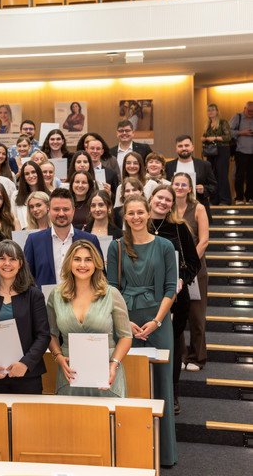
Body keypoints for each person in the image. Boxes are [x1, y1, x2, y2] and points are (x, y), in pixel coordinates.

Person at [106, 194, 179, 467]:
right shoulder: (116, 247)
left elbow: (171, 288)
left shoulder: (164, 245)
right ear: (124, 217)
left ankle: (165, 454)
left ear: (149, 214)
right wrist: (126, 323)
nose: (136, 217)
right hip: (126, 322)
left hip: (158, 322)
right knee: (130, 382)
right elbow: (112, 287)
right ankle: (132, 452)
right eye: (130, 213)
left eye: (140, 212)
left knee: (162, 384)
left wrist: (158, 321)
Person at [47, 240, 132, 397]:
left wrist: (113, 364)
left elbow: (126, 336)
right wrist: (58, 357)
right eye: (77, 259)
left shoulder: (111, 294)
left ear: (96, 264)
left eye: (88, 259)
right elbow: (51, 333)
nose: (83, 265)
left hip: (107, 374)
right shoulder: (56, 295)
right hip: (70, 374)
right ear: (69, 262)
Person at [147, 184, 201, 413]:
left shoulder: (179, 228)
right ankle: (147, 389)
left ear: (172, 203)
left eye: (167, 200)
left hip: (177, 298)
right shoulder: (139, 222)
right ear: (151, 198)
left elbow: (193, 262)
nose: (163, 202)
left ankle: (172, 392)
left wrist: (182, 280)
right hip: (146, 296)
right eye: (160, 197)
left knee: (172, 343)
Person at [0, 241, 50, 394]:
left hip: (27, 375)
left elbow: (43, 336)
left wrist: (25, 364)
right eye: (2, 258)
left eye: (13, 259)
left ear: (20, 263)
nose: (7, 263)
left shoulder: (34, 296)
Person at [24, 188, 103, 286]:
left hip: (82, 300)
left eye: (66, 209)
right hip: (44, 301)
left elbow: (100, 276)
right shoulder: (34, 241)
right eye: (56, 209)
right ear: (49, 210)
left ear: (73, 211)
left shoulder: (90, 240)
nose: (61, 214)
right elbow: (27, 278)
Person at [172, 173, 210, 373]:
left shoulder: (198, 208)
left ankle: (198, 357)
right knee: (177, 315)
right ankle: (182, 355)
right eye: (176, 183)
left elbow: (204, 240)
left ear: (190, 188)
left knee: (196, 315)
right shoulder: (168, 208)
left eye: (183, 184)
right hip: (173, 268)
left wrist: (188, 262)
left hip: (194, 269)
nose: (179, 187)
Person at [164, 134, 218, 213]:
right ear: (176, 149)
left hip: (198, 208)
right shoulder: (168, 166)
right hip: (173, 209)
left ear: (192, 147)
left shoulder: (204, 165)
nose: (184, 148)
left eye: (186, 145)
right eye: (180, 146)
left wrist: (204, 189)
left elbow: (214, 186)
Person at [201, 103, 233, 205]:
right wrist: (204, 139)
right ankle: (214, 200)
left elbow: (228, 137)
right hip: (211, 152)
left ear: (217, 111)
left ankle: (225, 200)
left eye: (212, 110)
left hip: (222, 150)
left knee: (222, 175)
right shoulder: (207, 124)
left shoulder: (223, 122)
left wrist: (215, 138)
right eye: (208, 110)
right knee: (212, 176)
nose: (210, 112)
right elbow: (206, 137)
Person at [230, 101, 253, 204]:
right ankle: (239, 197)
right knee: (239, 175)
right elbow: (228, 132)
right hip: (241, 151)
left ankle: (250, 197)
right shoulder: (237, 117)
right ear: (244, 108)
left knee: (251, 176)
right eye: (249, 111)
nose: (251, 113)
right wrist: (241, 132)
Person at [14, 160, 47, 227]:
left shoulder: (49, 195)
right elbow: (14, 219)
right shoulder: (15, 195)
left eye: (33, 172)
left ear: (39, 173)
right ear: (23, 177)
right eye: (27, 174)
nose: (31, 176)